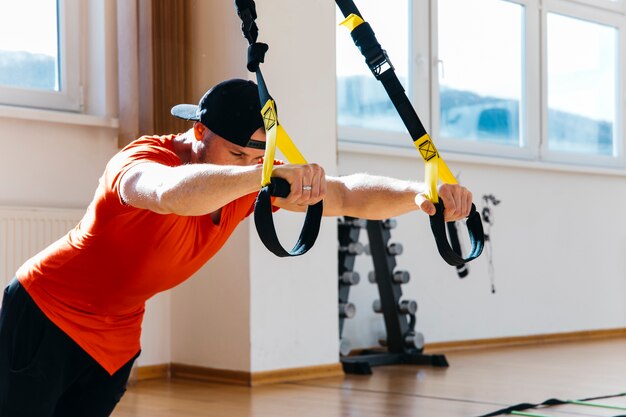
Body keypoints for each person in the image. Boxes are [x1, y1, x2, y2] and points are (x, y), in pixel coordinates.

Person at [0, 78, 473, 417]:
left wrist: (419, 196)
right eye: (238, 154)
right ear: (200, 133)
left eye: (258, 156)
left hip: (115, 338)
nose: (249, 165)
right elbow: (168, 192)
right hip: (45, 314)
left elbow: (345, 193)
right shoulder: (144, 158)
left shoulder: (249, 180)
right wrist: (259, 175)